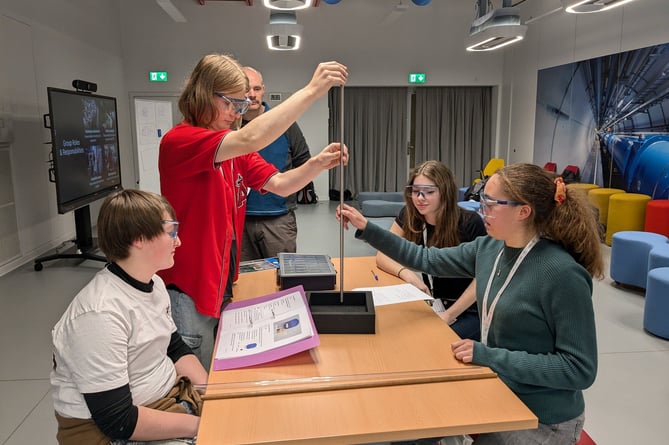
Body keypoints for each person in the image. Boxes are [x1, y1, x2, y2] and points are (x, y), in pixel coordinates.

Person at [338, 163, 602, 445]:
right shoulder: (490, 249)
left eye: (490, 203)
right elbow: (426, 259)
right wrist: (367, 228)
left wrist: (488, 356)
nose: (481, 210)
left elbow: (579, 369)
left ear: (523, 211)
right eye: (482, 201)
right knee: (413, 430)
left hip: (542, 417)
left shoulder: (562, 274)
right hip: (498, 389)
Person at [158, 54, 348, 371]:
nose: (236, 113)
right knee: (202, 387)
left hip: (221, 285)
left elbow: (283, 184)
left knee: (225, 374)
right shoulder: (181, 141)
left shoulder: (233, 151)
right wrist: (313, 91)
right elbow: (250, 136)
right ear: (204, 94)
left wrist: (317, 163)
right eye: (231, 103)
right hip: (189, 291)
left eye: (241, 105)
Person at [51, 189, 208, 445]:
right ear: (139, 238)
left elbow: (174, 347)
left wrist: (212, 395)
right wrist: (204, 425)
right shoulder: (98, 315)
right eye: (171, 232)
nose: (178, 241)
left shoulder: (154, 283)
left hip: (162, 403)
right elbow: (118, 420)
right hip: (113, 432)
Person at [377, 160, 486, 340]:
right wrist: (408, 275)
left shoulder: (469, 223)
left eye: (429, 192)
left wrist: (448, 315)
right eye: (415, 191)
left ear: (445, 193)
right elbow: (383, 255)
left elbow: (483, 276)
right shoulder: (410, 215)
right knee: (392, 330)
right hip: (434, 303)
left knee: (431, 341)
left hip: (468, 309)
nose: (420, 198)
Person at [239, 66, 312, 261]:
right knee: (246, 281)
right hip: (240, 220)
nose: (252, 95)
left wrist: (288, 193)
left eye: (256, 89)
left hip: (279, 218)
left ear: (263, 89)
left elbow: (303, 159)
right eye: (246, 89)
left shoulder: (283, 122)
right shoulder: (230, 127)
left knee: (283, 277)